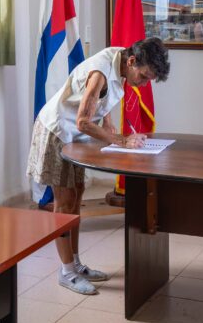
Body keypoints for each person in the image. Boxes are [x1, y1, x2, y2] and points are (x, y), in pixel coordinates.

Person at [27, 38, 171, 294]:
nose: (144, 83)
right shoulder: (100, 73)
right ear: (132, 61)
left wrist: (107, 121)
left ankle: (76, 263)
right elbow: (83, 121)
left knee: (77, 195)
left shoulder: (119, 58)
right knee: (64, 203)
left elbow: (101, 99)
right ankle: (66, 272)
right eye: (144, 76)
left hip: (75, 135)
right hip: (57, 132)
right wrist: (121, 140)